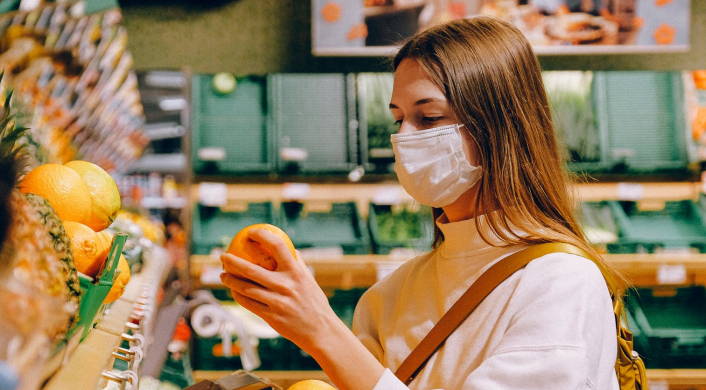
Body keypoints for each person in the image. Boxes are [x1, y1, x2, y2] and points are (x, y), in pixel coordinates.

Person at [220, 16, 623, 390]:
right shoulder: (389, 297)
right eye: (399, 120)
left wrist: (322, 329)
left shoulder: (561, 284)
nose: (405, 139)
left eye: (428, 119)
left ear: (499, 127)